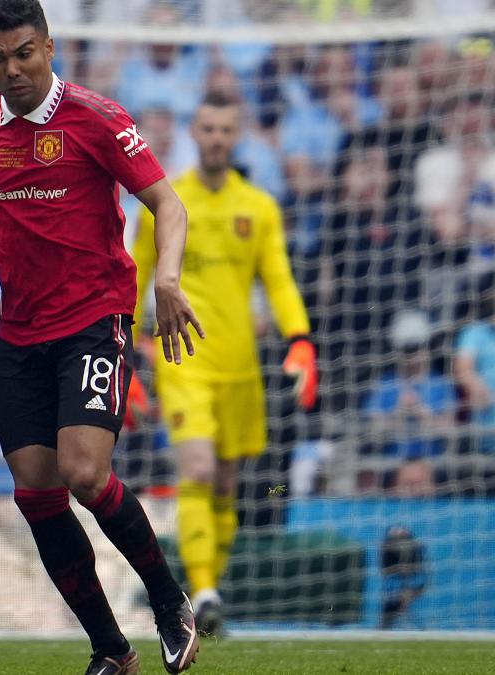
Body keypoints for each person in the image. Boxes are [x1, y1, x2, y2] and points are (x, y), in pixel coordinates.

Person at [0, 2, 203, 673]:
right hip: (20, 333)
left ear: (49, 46)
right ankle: (110, 648)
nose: (12, 71)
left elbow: (168, 203)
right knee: (36, 493)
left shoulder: (97, 117)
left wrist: (168, 278)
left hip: (95, 320)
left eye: (24, 53)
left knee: (85, 471)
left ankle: (166, 597)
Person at [133, 91, 318, 639]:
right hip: (182, 360)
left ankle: (210, 586)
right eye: (207, 128)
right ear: (194, 133)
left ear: (236, 136)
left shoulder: (257, 207)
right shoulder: (168, 202)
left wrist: (300, 339)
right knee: (197, 471)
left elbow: (279, 279)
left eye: (225, 130)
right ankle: (206, 590)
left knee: (225, 486)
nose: (216, 138)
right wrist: (122, 345)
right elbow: (138, 272)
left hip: (241, 368)